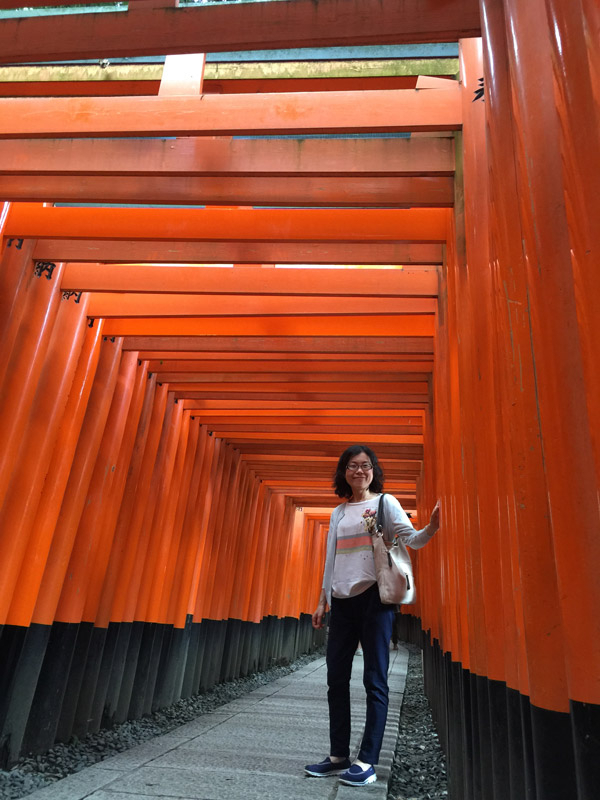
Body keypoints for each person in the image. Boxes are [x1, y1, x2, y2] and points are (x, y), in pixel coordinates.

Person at [304, 444, 440, 787]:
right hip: (342, 602)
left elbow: (412, 540)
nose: (359, 471)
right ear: (343, 473)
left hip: (374, 600)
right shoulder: (339, 512)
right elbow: (330, 561)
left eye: (365, 466)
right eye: (352, 466)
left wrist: (433, 527)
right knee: (336, 677)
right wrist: (322, 600)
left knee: (375, 679)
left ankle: (367, 761)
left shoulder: (385, 503)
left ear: (374, 470)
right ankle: (338, 756)